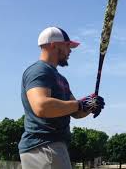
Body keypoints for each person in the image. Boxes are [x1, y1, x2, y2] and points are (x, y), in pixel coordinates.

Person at [18, 26, 105, 169]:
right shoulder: (39, 71)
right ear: (53, 45)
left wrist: (90, 105)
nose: (70, 50)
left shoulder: (60, 79)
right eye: (67, 45)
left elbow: (76, 112)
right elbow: (42, 106)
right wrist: (80, 104)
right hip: (43, 146)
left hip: (53, 146)